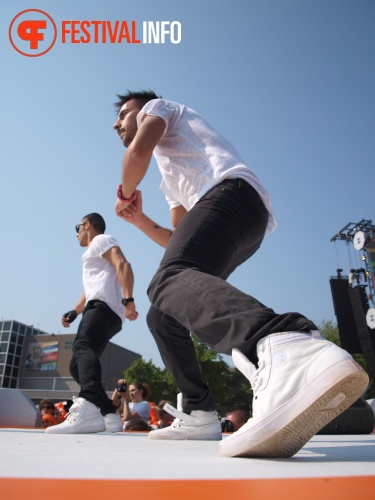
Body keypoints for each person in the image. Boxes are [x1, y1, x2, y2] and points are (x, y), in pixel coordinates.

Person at [112, 90, 369, 458]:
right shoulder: (170, 177)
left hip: (231, 195)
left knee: (166, 280)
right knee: (164, 312)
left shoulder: (160, 109)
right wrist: (138, 220)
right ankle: (200, 413)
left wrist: (124, 192)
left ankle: (285, 343)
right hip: (243, 223)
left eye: (123, 114)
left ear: (141, 109)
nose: (116, 123)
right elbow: (177, 240)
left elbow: (136, 154)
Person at [46, 213, 138, 434]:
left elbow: (122, 263)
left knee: (82, 348)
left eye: (78, 228)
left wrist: (129, 300)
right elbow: (90, 289)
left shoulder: (100, 240)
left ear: (87, 225)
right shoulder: (92, 254)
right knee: (76, 365)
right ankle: (108, 413)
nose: (77, 233)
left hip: (103, 308)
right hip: (100, 308)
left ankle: (87, 406)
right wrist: (75, 311)